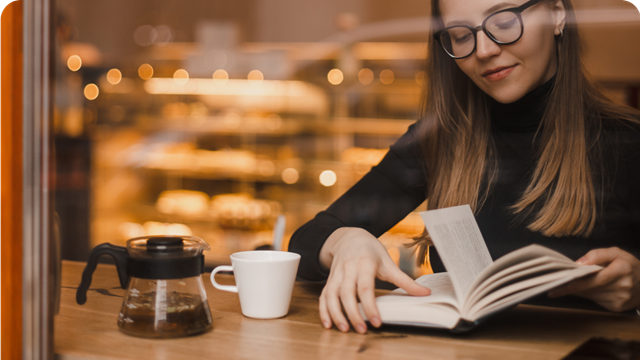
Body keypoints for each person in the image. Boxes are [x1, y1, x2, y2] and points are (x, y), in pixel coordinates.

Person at [288, 0, 640, 334]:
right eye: (460, 35)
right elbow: (305, 243)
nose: (483, 51)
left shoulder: (627, 141)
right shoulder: (439, 140)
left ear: (558, 15)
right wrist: (347, 239)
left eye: (504, 22)